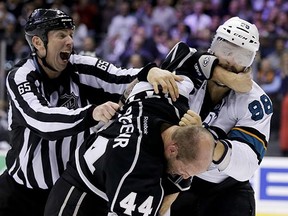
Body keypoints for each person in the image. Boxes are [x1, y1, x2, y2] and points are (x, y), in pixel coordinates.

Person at [0, 8, 183, 216]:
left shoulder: (80, 66)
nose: (70, 41)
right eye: (61, 35)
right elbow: (40, 119)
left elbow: (120, 78)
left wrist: (149, 72)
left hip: (68, 190)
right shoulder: (21, 76)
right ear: (38, 43)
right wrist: (91, 113)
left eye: (71, 34)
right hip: (20, 192)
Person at [44, 62, 216, 216]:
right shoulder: (138, 168)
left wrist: (150, 70)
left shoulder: (170, 100)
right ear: (172, 149)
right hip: (82, 199)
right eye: (186, 172)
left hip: (110, 183)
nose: (186, 176)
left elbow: (186, 57)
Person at [159, 17, 273, 216]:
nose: (231, 61)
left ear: (250, 63)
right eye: (225, 49)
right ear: (213, 47)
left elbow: (246, 166)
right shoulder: (187, 65)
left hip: (225, 190)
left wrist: (202, 139)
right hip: (174, 175)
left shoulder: (256, 102)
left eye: (242, 56)